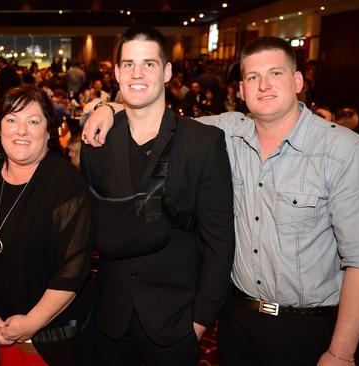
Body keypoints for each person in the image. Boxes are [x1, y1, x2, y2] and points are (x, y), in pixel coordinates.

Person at [84, 36, 359, 366]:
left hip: (304, 326)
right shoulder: (228, 132)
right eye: (252, 77)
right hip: (236, 319)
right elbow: (154, 117)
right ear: (241, 90)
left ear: (299, 81)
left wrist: (341, 352)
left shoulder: (345, 153)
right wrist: (107, 107)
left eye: (276, 73)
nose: (264, 86)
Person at [80, 25, 235, 366]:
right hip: (110, 319)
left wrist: (199, 321)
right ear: (117, 72)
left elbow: (220, 240)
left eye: (149, 64)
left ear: (166, 72)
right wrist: (106, 107)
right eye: (129, 64)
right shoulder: (96, 139)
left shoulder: (202, 142)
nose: (138, 73)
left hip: (175, 321)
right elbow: (90, 226)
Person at [0, 85, 93, 366]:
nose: (21, 130)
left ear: (49, 131)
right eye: (12, 120)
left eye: (33, 121)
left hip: (51, 336)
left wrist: (31, 324)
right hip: (0, 327)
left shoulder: (66, 185)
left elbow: (73, 271)